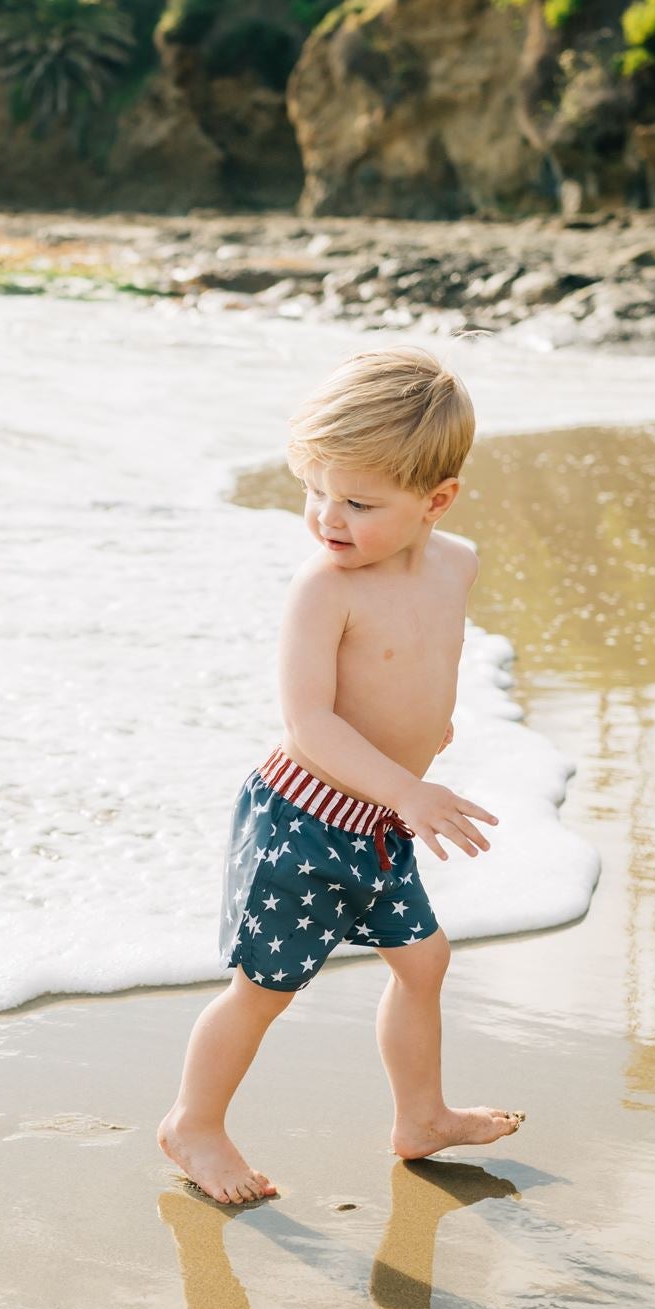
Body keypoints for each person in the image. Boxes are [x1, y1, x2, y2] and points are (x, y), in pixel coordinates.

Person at [158, 344, 525, 1206]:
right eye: (314, 490)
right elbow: (308, 723)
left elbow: (435, 646)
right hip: (306, 820)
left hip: (384, 822)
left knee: (424, 960)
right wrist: (406, 785)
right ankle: (193, 1125)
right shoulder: (323, 587)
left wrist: (432, 725)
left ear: (436, 502)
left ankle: (420, 1116)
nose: (328, 516)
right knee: (263, 988)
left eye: (358, 502)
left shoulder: (456, 562)